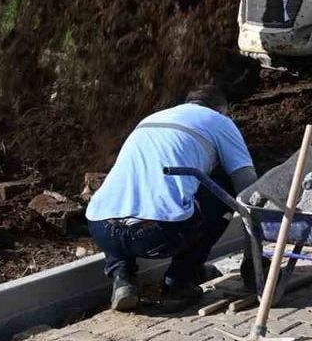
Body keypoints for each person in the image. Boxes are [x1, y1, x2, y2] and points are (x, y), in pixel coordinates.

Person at [85, 85, 257, 312]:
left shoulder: (152, 119)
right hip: (158, 234)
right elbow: (249, 189)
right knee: (222, 189)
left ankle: (122, 278)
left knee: (120, 197)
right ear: (221, 109)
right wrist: (253, 259)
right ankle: (179, 282)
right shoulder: (220, 121)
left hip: (101, 229)